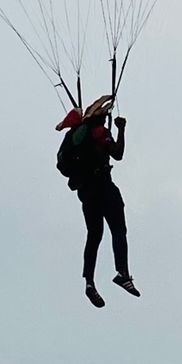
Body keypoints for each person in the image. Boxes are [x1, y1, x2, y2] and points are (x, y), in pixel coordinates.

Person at [55, 94, 139, 307]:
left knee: (94, 235)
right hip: (104, 187)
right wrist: (121, 129)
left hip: (86, 192)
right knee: (118, 230)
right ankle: (122, 273)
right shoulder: (99, 132)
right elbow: (118, 154)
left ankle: (89, 282)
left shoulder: (74, 136)